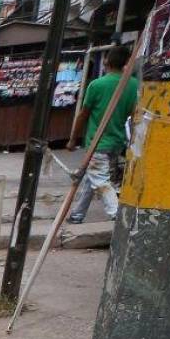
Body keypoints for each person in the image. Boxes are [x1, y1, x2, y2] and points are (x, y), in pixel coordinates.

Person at [65, 44, 139, 224]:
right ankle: (77, 214)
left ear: (106, 61)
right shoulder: (133, 84)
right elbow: (134, 113)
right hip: (116, 141)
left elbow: (83, 114)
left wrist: (73, 139)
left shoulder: (97, 85)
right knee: (92, 180)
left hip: (98, 143)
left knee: (101, 180)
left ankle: (118, 216)